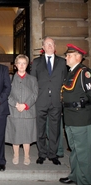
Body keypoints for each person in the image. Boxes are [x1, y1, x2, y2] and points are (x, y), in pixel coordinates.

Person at [30, 37, 67, 165]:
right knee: (40, 130)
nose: (50, 46)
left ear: (55, 46)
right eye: (47, 44)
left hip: (56, 101)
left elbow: (65, 81)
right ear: (43, 47)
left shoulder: (62, 62)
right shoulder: (36, 62)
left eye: (52, 44)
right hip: (40, 101)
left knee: (54, 130)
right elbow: (33, 82)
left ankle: (53, 154)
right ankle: (42, 154)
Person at [59, 44, 91, 185]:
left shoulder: (85, 73)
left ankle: (84, 181)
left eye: (69, 55)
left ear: (78, 57)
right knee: (74, 149)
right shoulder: (71, 72)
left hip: (81, 118)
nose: (66, 57)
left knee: (83, 153)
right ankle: (74, 176)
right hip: (70, 118)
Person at [5, 54, 38, 166]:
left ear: (27, 65)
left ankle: (27, 156)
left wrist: (25, 105)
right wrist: (16, 104)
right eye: (19, 63)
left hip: (28, 111)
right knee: (15, 134)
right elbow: (7, 94)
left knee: (27, 135)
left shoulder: (33, 79)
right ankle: (16, 155)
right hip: (14, 111)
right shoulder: (10, 79)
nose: (22, 65)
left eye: (24, 63)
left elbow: (35, 94)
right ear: (15, 65)